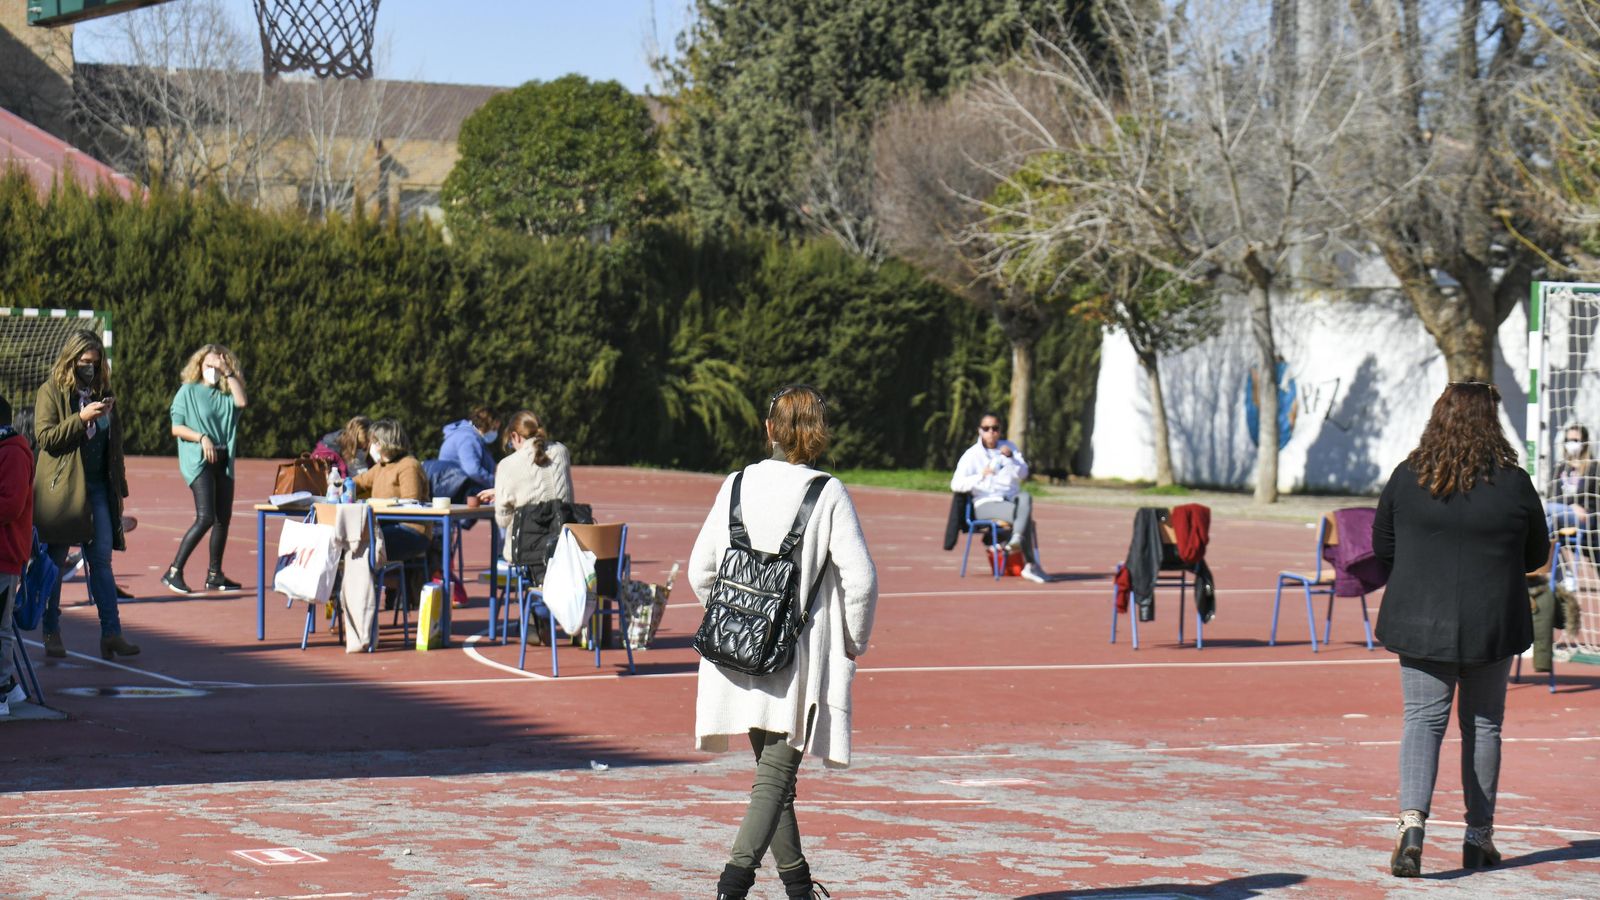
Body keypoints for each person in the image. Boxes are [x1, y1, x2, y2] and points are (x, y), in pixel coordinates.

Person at [690, 385, 878, 900]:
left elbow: (699, 569)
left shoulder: (735, 484)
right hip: (797, 653)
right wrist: (853, 640)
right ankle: (734, 884)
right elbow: (859, 579)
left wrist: (735, 614)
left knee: (773, 781)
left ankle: (799, 888)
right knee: (775, 777)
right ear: (816, 434)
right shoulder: (827, 491)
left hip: (736, 649)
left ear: (769, 428)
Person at [1372, 381, 1548, 877]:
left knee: (1422, 723)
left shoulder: (1409, 476)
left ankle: (1411, 829)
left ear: (1437, 418)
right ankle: (1478, 837)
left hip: (1418, 621)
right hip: (1492, 622)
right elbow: (1536, 554)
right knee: (1484, 725)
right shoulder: (1514, 482)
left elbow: (1383, 548)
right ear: (1492, 423)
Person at [33, 330, 139, 661]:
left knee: (102, 563)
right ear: (71, 360)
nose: (90, 369)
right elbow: (46, 437)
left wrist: (119, 486)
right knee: (54, 562)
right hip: (64, 491)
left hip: (98, 489)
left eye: (95, 363)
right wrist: (80, 419)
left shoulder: (104, 393)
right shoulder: (50, 391)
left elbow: (114, 445)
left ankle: (112, 633)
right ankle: (51, 630)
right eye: (84, 363)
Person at [161, 343, 248, 594]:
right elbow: (176, 427)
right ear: (199, 366)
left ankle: (215, 574)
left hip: (223, 458)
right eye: (208, 365)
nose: (212, 370)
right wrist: (201, 437)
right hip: (199, 459)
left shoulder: (226, 395)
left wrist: (228, 372)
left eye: (217, 366)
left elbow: (242, 402)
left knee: (223, 519)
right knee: (206, 516)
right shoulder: (187, 391)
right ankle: (174, 571)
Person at [949, 412, 1048, 582]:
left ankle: (1017, 539)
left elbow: (1023, 474)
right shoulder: (972, 455)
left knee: (1025, 497)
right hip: (985, 502)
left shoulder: (1009, 447)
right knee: (1025, 521)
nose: (991, 432)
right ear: (980, 431)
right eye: (986, 428)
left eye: (995, 428)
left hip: (1010, 498)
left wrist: (1011, 458)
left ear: (1000, 430)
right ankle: (1031, 565)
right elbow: (956, 484)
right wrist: (980, 475)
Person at [485, 410, 573, 562]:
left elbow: (503, 520)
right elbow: (544, 486)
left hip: (526, 550)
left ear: (515, 436)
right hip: (563, 546)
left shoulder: (507, 465)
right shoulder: (561, 451)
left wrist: (501, 494)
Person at [354, 418, 433, 578]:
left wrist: (382, 505)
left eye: (374, 442)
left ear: (385, 443)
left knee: (363, 545)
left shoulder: (409, 465)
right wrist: (338, 484)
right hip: (385, 527)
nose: (371, 447)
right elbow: (359, 482)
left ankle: (365, 597)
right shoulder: (380, 467)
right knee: (348, 541)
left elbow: (411, 503)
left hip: (412, 530)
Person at [0, 395, 34, 716]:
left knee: (1, 626)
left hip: (5, 554)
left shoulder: (12, 453)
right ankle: (11, 689)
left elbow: (10, 505)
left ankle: (1, 690)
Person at [1544, 423, 1598, 588]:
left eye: (1575, 440)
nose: (1571, 443)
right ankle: (1564, 572)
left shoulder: (1593, 468)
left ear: (1584, 442)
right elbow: (1553, 496)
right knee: (1547, 518)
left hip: (1584, 517)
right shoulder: (1561, 467)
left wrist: (1581, 507)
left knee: (1546, 511)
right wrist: (1571, 505)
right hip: (1560, 514)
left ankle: (1556, 572)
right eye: (1568, 440)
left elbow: (1595, 498)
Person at [439, 407, 502, 498]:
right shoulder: (467, 438)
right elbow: (472, 470)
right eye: (494, 428)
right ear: (485, 425)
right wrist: (496, 482)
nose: (495, 432)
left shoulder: (471, 436)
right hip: (462, 493)